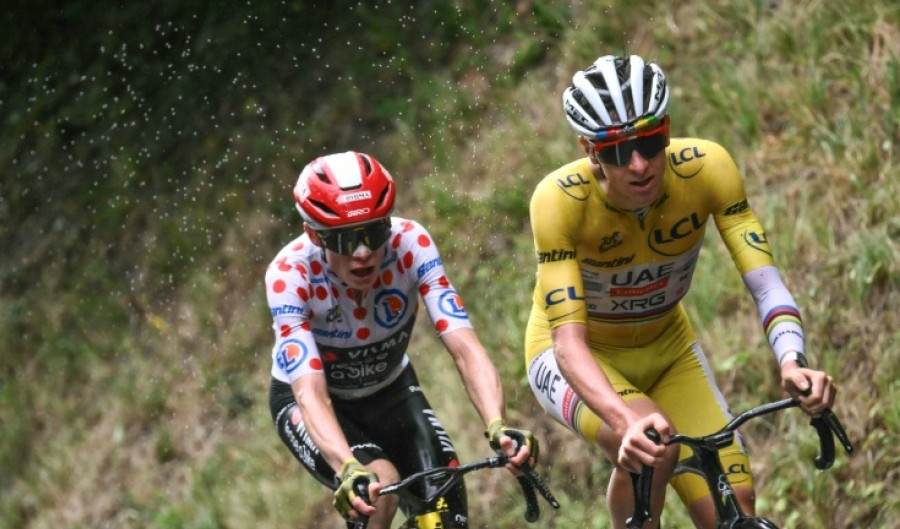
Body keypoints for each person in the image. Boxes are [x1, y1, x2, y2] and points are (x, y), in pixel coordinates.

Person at [524, 55, 837, 529]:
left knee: (737, 505)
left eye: (650, 142)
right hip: (577, 358)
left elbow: (765, 282)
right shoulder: (559, 201)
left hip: (669, 349)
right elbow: (568, 342)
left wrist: (793, 361)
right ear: (589, 150)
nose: (638, 164)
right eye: (616, 151)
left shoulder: (708, 169)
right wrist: (623, 421)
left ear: (667, 129)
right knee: (654, 448)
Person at [266, 150, 538, 529]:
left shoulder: (411, 244)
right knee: (379, 488)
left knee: (446, 508)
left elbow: (465, 347)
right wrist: (347, 467)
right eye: (345, 240)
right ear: (315, 234)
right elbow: (311, 392)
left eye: (374, 233)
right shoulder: (290, 274)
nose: (363, 253)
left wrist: (497, 424)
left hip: (391, 389)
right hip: (321, 404)